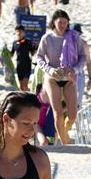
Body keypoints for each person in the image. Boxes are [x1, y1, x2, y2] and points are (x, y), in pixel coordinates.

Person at [36, 10, 86, 145]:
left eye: (65, 22)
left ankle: (64, 133)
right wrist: (50, 70)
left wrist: (75, 70)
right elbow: (39, 57)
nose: (63, 25)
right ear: (54, 22)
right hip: (52, 78)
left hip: (70, 79)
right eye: (60, 22)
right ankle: (64, 144)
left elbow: (83, 57)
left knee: (73, 115)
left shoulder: (74, 37)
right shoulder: (47, 38)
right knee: (57, 113)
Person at [71, 23, 91, 104]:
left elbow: (88, 62)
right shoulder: (63, 42)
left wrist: (90, 79)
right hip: (65, 74)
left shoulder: (83, 44)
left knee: (77, 103)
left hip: (79, 74)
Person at [11, 25, 36, 91]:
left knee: (25, 85)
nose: (19, 33)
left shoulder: (28, 42)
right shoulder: (14, 43)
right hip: (19, 65)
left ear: (23, 32)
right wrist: (4, 51)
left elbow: (32, 53)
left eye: (21, 31)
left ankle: (28, 96)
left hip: (27, 65)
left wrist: (35, 48)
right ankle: (24, 98)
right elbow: (11, 54)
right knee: (21, 86)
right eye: (17, 31)